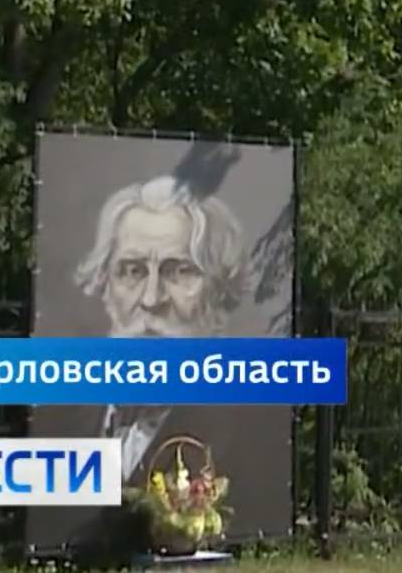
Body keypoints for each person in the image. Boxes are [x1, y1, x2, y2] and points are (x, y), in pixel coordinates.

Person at [32, 174, 288, 556]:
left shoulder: (251, 432)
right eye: (132, 271)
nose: (151, 299)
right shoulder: (59, 416)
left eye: (179, 270)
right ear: (104, 287)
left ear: (217, 294)